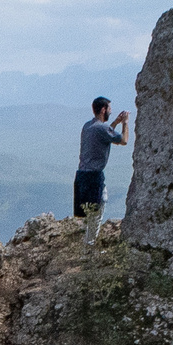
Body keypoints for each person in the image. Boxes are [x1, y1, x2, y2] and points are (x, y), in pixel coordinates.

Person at [74, 94, 130, 238]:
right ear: (104, 110)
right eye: (110, 109)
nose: (111, 112)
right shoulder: (101, 128)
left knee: (88, 214)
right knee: (97, 212)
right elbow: (123, 140)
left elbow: (104, 134)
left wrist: (115, 122)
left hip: (81, 176)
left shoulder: (88, 126)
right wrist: (125, 123)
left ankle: (87, 244)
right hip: (94, 177)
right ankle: (90, 247)